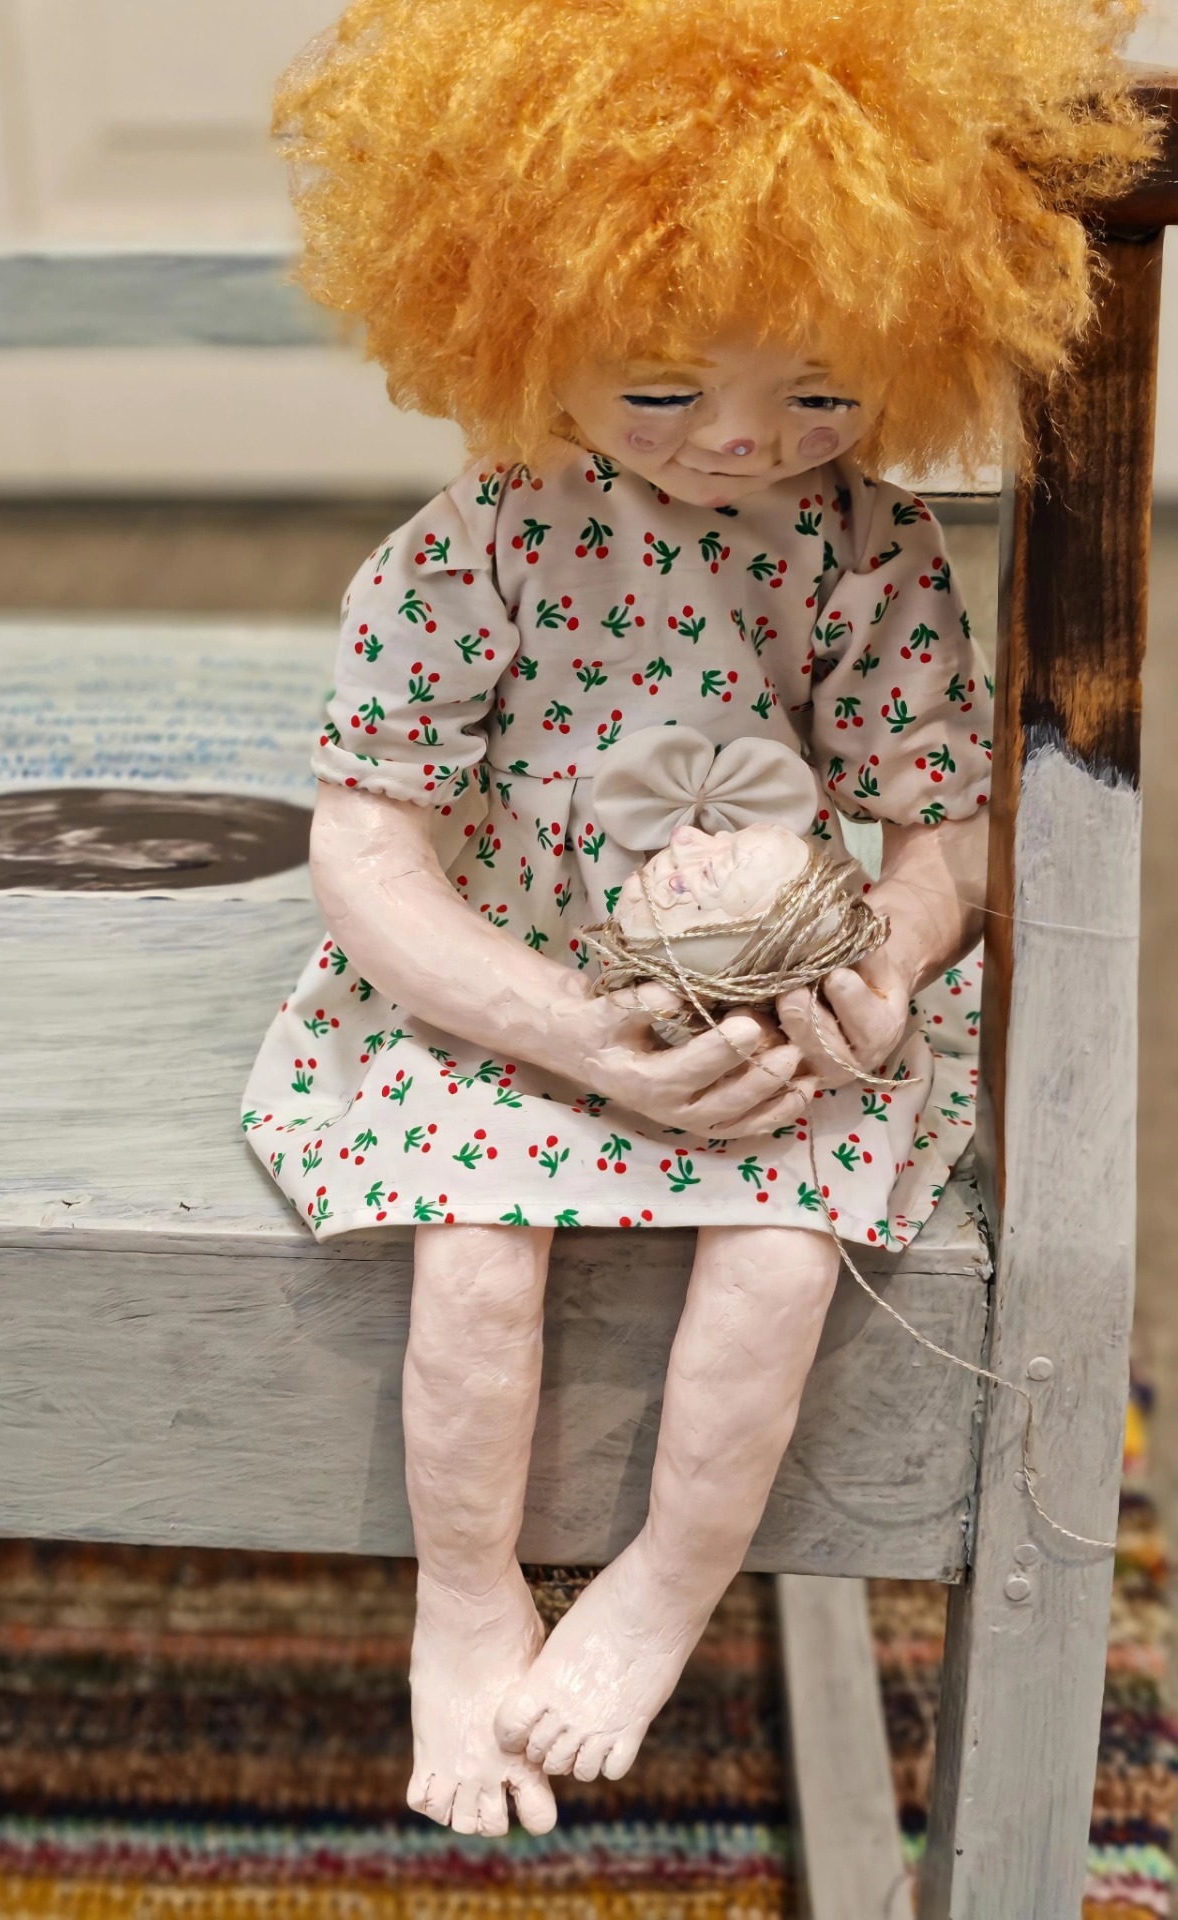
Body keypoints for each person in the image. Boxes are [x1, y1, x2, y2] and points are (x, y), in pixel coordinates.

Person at [242, 0, 1154, 1838]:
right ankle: (462, 1596)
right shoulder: (477, 544)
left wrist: (890, 958)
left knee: (785, 1252)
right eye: (662, 388)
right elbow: (367, 849)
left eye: (820, 391)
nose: (743, 439)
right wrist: (552, 1025)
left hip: (770, 1004)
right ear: (514, 320)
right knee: (471, 1250)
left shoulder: (867, 546)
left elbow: (945, 833)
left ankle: (668, 1585)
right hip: (516, 985)